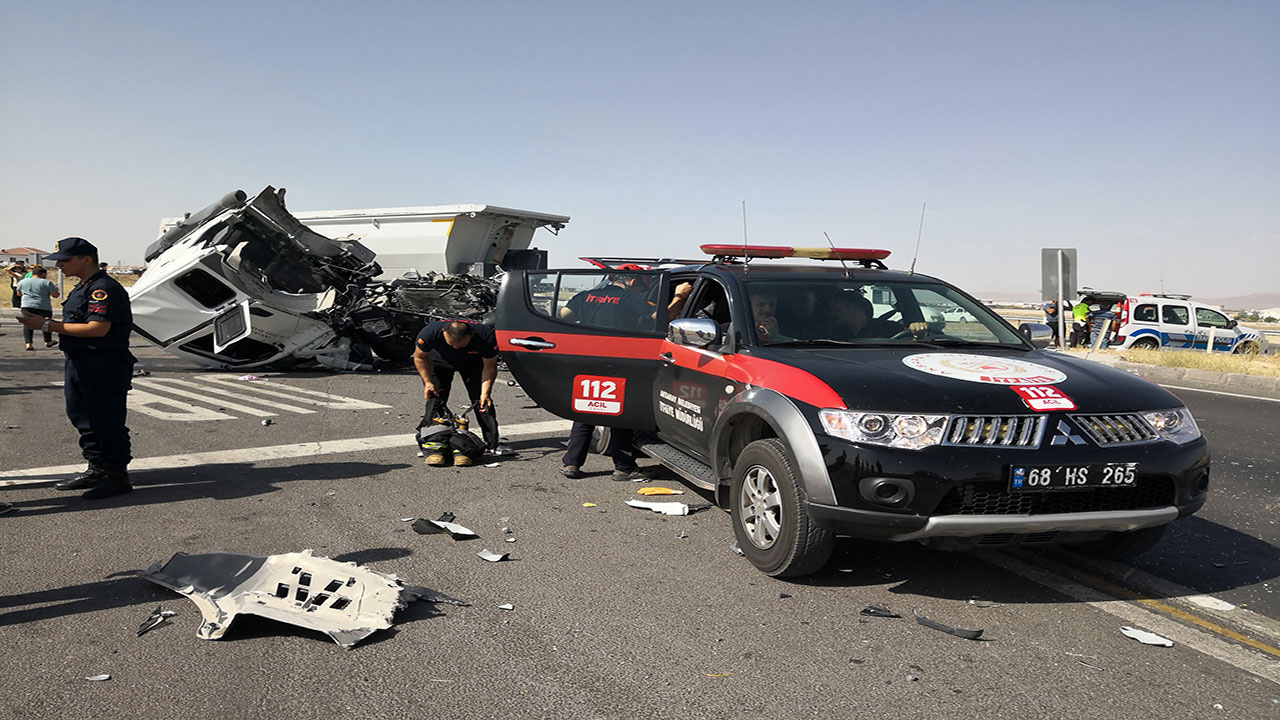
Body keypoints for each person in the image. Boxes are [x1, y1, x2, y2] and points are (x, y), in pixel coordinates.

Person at [17, 238, 135, 499]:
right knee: (81, 415)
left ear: (86, 259)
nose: (59, 265)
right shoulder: (84, 287)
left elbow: (98, 328)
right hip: (80, 361)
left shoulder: (103, 288)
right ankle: (97, 467)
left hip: (103, 364)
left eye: (65, 260)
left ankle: (117, 476)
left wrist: (47, 325)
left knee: (107, 419)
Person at [559, 272, 691, 480]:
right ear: (632, 282)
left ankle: (571, 464)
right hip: (618, 362)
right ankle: (623, 467)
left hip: (586, 362)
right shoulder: (631, 299)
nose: (641, 291)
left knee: (585, 410)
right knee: (619, 412)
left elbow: (562, 317)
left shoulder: (585, 296)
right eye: (641, 287)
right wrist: (679, 296)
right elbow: (663, 318)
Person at [414, 319, 508, 464]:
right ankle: (430, 443)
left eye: (462, 344)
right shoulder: (430, 332)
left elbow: (490, 367)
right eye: (452, 344)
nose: (457, 347)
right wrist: (427, 382)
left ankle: (492, 444)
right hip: (439, 362)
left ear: (471, 336)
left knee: (482, 402)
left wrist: (485, 393)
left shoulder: (484, 336)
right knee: (435, 399)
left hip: (472, 363)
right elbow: (419, 357)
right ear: (444, 333)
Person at [16, 266, 60, 350]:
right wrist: (57, 290)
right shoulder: (46, 282)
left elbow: (18, 293)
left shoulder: (22, 281)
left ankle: (28, 343)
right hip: (43, 306)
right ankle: (48, 341)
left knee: (28, 324)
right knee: (46, 323)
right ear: (42, 274)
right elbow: (55, 295)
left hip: (27, 305)